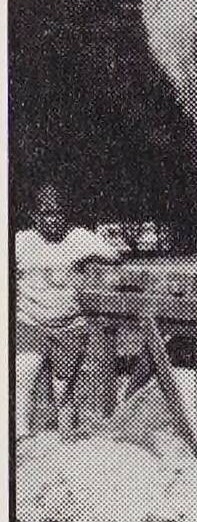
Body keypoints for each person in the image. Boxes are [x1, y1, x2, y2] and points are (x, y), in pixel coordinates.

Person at [13, 184, 120, 438]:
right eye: (47, 213)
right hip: (30, 321)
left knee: (62, 389)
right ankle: (21, 437)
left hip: (70, 326)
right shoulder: (21, 241)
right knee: (23, 375)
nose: (53, 219)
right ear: (35, 216)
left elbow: (114, 255)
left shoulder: (79, 238)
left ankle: (67, 441)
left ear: (66, 214)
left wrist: (93, 262)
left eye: (59, 213)